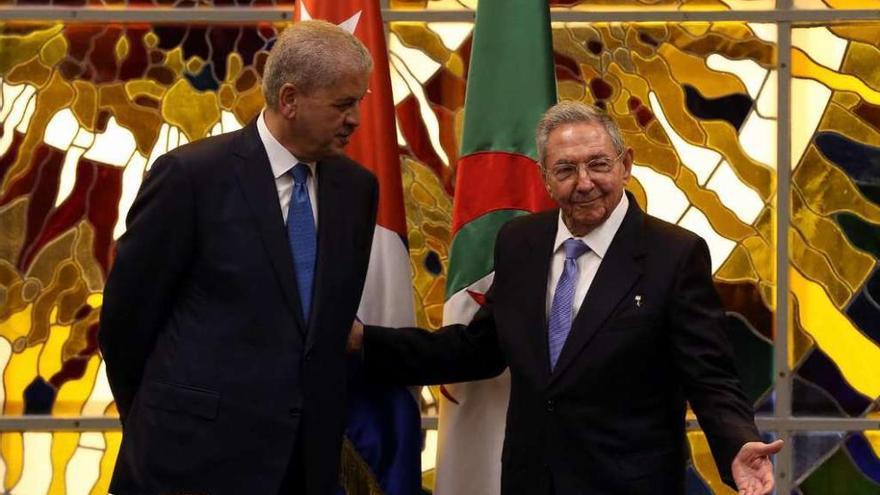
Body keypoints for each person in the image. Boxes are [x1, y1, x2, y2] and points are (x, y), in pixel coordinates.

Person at [351, 101, 783, 495]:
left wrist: (737, 444)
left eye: (598, 165)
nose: (584, 183)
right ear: (544, 177)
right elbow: (479, 349)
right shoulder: (521, 243)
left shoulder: (674, 253)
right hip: (530, 481)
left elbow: (710, 377)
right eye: (565, 170)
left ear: (626, 164)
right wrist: (364, 341)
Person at [99, 20, 379, 495]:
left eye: (359, 103)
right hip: (188, 463)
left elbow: (322, 335)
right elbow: (125, 325)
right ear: (289, 100)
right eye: (343, 104)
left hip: (302, 466)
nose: (355, 119)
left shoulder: (356, 189)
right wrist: (159, 422)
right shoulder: (191, 177)